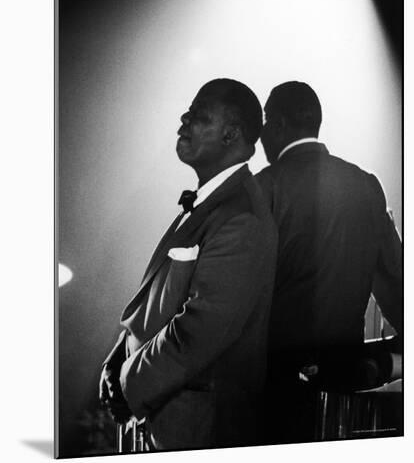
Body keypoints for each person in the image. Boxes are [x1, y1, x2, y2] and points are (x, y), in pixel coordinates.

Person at [99, 78, 278, 451]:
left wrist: (129, 383)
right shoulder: (212, 203)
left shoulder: (240, 217)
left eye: (199, 115)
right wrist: (119, 356)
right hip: (172, 416)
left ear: (230, 135)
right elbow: (158, 302)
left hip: (197, 428)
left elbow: (200, 331)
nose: (184, 119)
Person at [257, 81, 402, 443]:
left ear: (276, 125)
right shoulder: (367, 185)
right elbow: (397, 282)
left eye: (263, 122)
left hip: (271, 385)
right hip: (343, 383)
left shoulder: (264, 187)